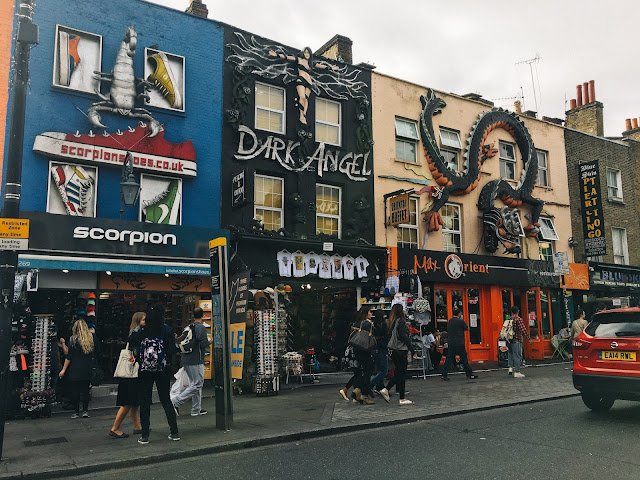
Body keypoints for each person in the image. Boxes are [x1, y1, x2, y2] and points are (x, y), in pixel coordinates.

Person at [130, 304, 179, 444]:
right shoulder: (167, 330)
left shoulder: (143, 330)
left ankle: (144, 435)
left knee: (145, 401)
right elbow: (172, 350)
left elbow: (131, 342)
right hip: (163, 370)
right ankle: (174, 431)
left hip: (145, 370)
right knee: (165, 399)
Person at [268, 47, 338, 125]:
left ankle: (304, 115)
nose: (307, 54)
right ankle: (301, 116)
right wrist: (277, 55)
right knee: (302, 97)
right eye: (305, 52)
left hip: (309, 83)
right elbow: (288, 58)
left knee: (306, 99)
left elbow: (320, 66)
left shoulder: (311, 63)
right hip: (301, 79)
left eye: (308, 53)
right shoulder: (299, 60)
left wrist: (331, 68)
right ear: (303, 53)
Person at [108, 312, 145, 439]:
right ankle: (115, 428)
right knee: (128, 402)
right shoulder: (137, 334)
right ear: (138, 321)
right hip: (131, 373)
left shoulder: (134, 333)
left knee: (133, 402)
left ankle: (137, 426)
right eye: (144, 320)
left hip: (130, 373)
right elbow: (136, 353)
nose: (146, 321)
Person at [171, 307, 211, 416]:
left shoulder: (188, 327)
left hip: (186, 358)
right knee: (197, 384)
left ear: (193, 316)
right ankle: (176, 401)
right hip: (196, 359)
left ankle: (196, 409)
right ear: (202, 316)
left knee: (195, 383)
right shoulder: (201, 328)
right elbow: (203, 344)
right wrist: (211, 341)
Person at [59, 319, 96, 418]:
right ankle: (85, 410)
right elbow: (96, 352)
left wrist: (63, 369)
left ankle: (76, 411)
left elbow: (69, 356)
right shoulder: (91, 338)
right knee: (85, 390)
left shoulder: (73, 339)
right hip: (87, 367)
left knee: (75, 391)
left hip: (75, 368)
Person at [379, 304, 414, 405]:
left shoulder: (392, 322)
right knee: (401, 373)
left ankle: (388, 390)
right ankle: (400, 397)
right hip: (400, 350)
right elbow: (403, 337)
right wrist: (412, 350)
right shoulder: (401, 322)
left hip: (393, 350)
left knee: (399, 372)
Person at [339, 307, 375, 405]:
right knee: (368, 371)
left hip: (355, 350)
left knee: (359, 372)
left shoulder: (355, 323)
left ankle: (357, 391)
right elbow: (371, 335)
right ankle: (362, 393)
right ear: (366, 313)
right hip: (365, 349)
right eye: (369, 312)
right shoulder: (367, 323)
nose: (370, 313)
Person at [441, 308, 477, 381]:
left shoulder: (450, 321)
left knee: (449, 359)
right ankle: (469, 374)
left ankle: (444, 375)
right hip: (459, 343)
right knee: (464, 359)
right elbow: (466, 328)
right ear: (459, 314)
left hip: (451, 342)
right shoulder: (460, 321)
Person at [507, 306, 532, 378]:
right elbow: (523, 330)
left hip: (509, 339)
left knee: (510, 354)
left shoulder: (509, 319)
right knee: (517, 355)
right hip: (516, 339)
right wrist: (529, 338)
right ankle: (517, 371)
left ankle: (510, 368)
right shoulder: (519, 319)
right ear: (518, 311)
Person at [369, 309, 390, 395]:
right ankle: (370, 385)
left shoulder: (373, 325)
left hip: (374, 348)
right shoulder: (383, 325)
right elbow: (386, 336)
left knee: (379, 368)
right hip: (381, 348)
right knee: (384, 370)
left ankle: (380, 387)